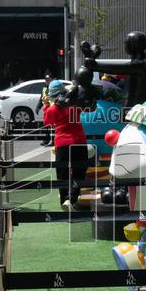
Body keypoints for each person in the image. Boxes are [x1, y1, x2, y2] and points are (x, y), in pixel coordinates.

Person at [43, 79, 90, 211]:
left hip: (62, 143)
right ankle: (72, 198)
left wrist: (46, 105)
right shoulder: (74, 105)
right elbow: (87, 108)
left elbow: (47, 122)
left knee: (62, 173)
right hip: (79, 141)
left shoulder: (52, 109)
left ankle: (64, 200)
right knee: (79, 171)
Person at [36, 71, 54, 145]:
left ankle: (53, 140)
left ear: (52, 79)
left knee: (52, 126)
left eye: (48, 79)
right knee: (46, 125)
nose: (47, 81)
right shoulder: (44, 88)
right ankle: (46, 140)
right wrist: (38, 107)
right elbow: (41, 99)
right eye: (46, 79)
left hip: (53, 109)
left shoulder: (54, 88)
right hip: (46, 110)